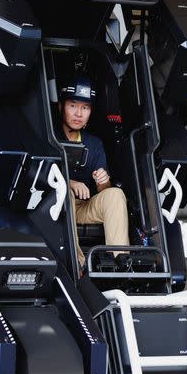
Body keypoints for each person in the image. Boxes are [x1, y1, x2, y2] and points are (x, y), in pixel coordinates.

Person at [58, 76, 129, 267]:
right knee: (65, 192)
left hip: (84, 207)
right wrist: (70, 184)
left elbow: (103, 190)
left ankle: (120, 261)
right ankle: (78, 263)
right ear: (61, 106)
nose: (79, 113)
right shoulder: (50, 137)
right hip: (56, 207)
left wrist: (103, 181)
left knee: (115, 194)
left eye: (85, 108)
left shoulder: (94, 143)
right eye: (73, 105)